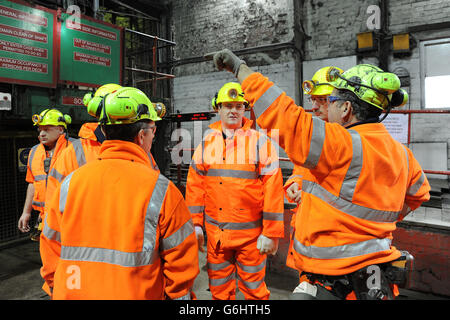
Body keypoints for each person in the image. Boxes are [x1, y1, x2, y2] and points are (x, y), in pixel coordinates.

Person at [209, 49, 431, 300]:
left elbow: (284, 117)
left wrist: (240, 68)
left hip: (335, 278)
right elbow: (419, 193)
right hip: (375, 278)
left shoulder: (341, 144)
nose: (324, 106)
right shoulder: (402, 153)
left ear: (346, 108)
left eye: (332, 101)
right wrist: (377, 219)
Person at [40, 87, 199, 299]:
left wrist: (57, 287)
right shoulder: (161, 190)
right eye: (154, 130)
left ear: (105, 132)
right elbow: (181, 267)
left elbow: (50, 244)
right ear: (142, 136)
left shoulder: (69, 184)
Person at [185, 82, 284, 300]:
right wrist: (196, 224)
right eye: (227, 105)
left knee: (255, 293)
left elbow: (273, 187)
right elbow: (195, 185)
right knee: (219, 291)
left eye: (238, 106)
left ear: (245, 109)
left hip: (251, 238)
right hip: (216, 237)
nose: (233, 111)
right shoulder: (206, 143)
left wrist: (271, 233)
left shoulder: (260, 143)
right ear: (217, 108)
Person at [284, 66, 343, 277]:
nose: (314, 106)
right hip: (309, 237)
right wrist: (294, 184)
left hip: (334, 242)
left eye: (322, 100)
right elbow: (301, 171)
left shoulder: (349, 140)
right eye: (312, 99)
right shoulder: (316, 135)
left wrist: (309, 195)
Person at [18, 108, 73, 240]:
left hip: (69, 218)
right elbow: (32, 184)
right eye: (40, 129)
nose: (41, 133)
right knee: (48, 257)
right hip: (44, 219)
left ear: (61, 129)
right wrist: (26, 212)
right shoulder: (34, 152)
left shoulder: (74, 150)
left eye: (47, 129)